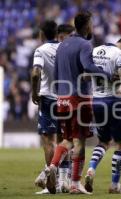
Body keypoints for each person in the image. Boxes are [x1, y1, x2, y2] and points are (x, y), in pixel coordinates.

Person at [45, 11, 110, 194]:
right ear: (87, 25)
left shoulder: (62, 45)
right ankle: (75, 184)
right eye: (92, 23)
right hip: (79, 98)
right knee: (79, 142)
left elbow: (57, 73)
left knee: (66, 140)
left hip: (62, 98)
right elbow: (88, 66)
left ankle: (51, 167)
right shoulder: (85, 44)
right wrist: (106, 75)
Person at [84, 37, 121, 194]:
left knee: (103, 141)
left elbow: (85, 76)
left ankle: (91, 169)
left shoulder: (94, 52)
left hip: (97, 101)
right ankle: (114, 185)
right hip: (114, 101)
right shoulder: (120, 54)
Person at [32, 22, 75, 195]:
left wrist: (34, 93)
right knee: (64, 139)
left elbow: (36, 73)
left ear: (42, 33)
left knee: (48, 140)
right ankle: (64, 180)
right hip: (66, 98)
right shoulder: (65, 49)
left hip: (48, 98)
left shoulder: (41, 50)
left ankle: (52, 178)